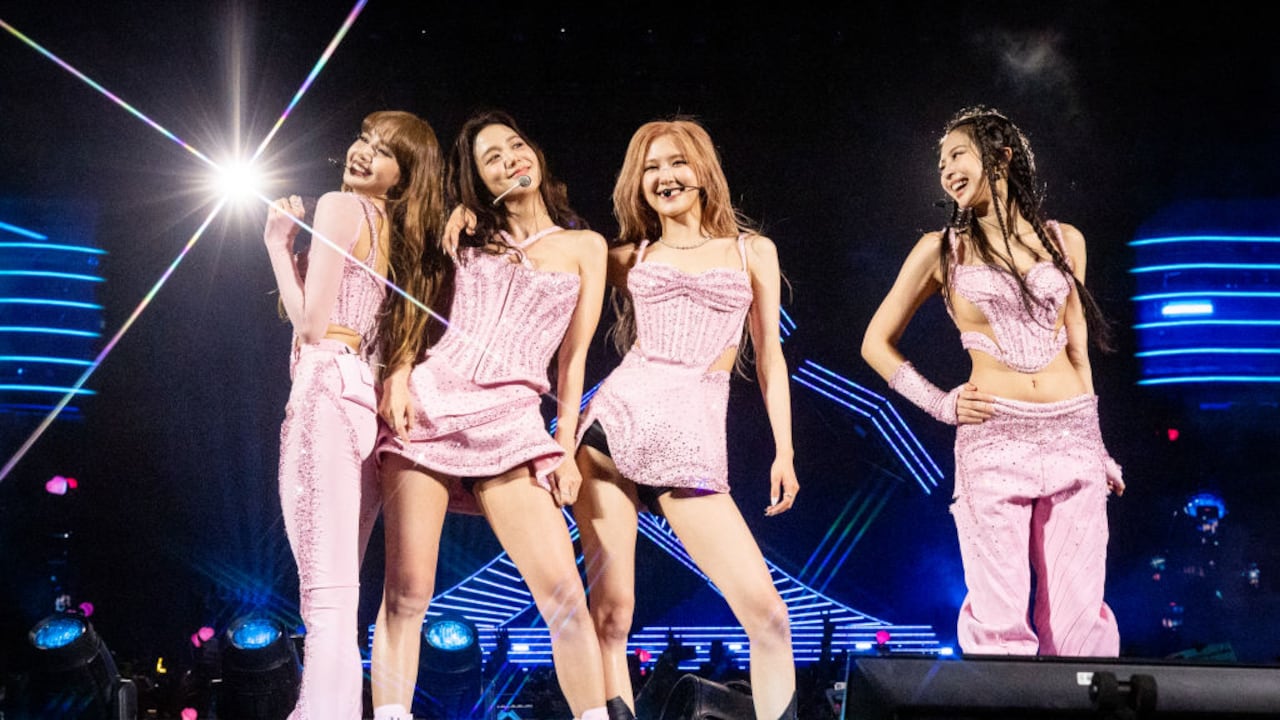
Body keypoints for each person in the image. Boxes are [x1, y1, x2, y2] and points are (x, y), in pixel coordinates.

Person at [370, 109, 610, 720]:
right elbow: (413, 300)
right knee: (407, 593)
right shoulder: (466, 232)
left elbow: (574, 360)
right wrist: (397, 373)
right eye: (492, 157)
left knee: (563, 596)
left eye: (516, 145)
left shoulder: (586, 246)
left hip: (513, 418)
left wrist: (564, 444)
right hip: (431, 403)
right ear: (477, 180)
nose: (511, 159)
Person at [861, 105, 1124, 657]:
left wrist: (1099, 450)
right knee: (1000, 624)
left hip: (1072, 436)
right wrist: (939, 403)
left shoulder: (1064, 241)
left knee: (1079, 624)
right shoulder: (940, 250)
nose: (945, 169)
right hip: (993, 440)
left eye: (956, 154)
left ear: (1001, 156)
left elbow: (1078, 346)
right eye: (940, 162)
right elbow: (874, 344)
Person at [573, 118, 800, 720]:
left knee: (769, 617)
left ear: (702, 171)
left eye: (676, 163)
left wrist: (785, 450)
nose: (664, 177)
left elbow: (771, 359)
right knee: (612, 614)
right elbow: (541, 253)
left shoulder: (753, 252)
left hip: (692, 439)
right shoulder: (625, 255)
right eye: (650, 168)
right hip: (612, 428)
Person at [262, 109, 448, 719]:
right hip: (360, 397)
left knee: (327, 594)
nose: (364, 152)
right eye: (365, 138)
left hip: (325, 384)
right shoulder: (395, 231)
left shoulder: (340, 207)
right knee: (341, 589)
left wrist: (276, 245)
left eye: (385, 150)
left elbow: (312, 324)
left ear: (404, 176)